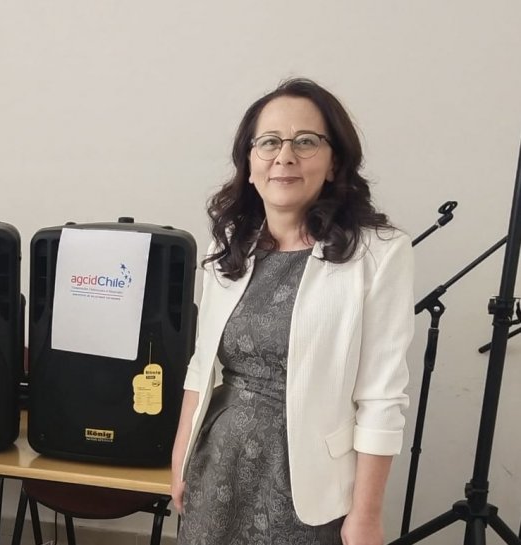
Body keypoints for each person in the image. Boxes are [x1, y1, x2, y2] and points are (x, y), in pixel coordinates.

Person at [170, 78, 414, 545]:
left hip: (309, 484)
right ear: (250, 162)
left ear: (334, 161)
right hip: (218, 465)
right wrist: (181, 457)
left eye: (305, 141)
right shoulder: (230, 247)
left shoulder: (380, 253)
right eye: (269, 142)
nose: (284, 156)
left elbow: (381, 398)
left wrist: (366, 515)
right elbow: (202, 367)